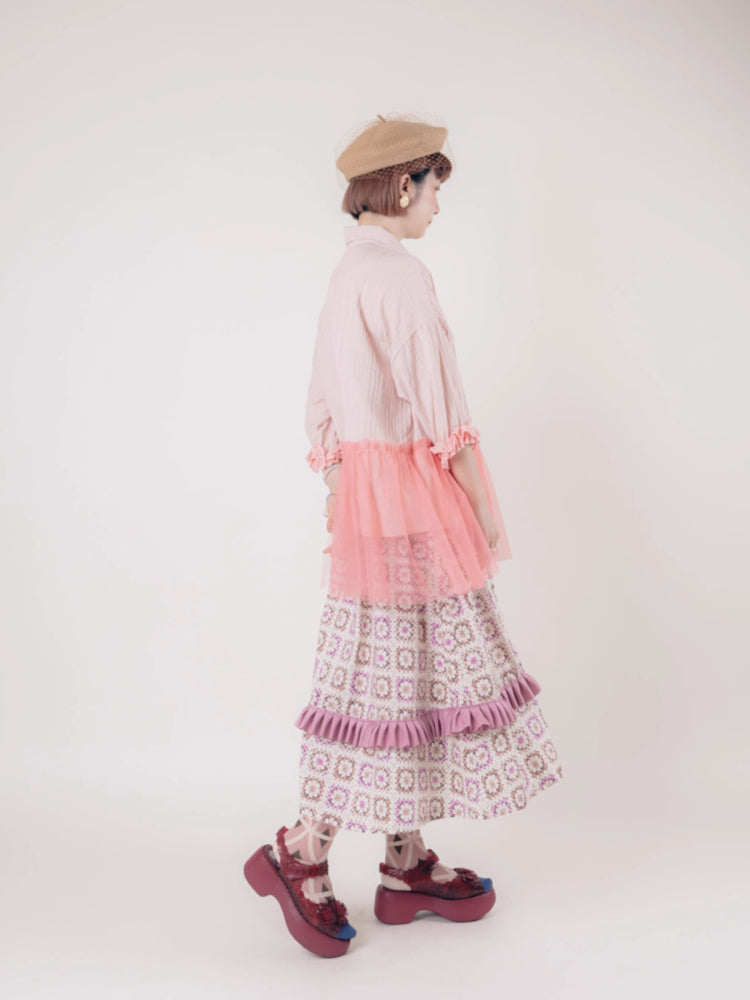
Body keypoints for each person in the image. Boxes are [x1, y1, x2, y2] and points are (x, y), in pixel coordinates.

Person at [243, 112, 564, 958]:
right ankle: (303, 849)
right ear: (399, 184)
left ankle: (403, 857)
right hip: (414, 500)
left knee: (396, 676)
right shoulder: (401, 277)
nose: (436, 205)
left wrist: (342, 486)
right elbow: (443, 414)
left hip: (369, 500)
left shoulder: (347, 274)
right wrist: (482, 512)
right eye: (430, 187)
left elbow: (320, 403)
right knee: (383, 683)